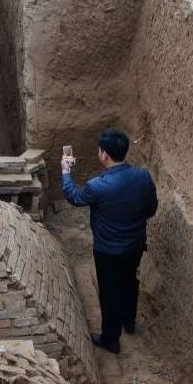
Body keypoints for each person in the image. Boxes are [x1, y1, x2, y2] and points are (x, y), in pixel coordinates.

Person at [61, 128, 158, 354]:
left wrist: (66, 172)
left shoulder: (98, 186)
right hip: (134, 244)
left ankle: (110, 339)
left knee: (109, 291)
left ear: (104, 155)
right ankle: (128, 321)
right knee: (129, 281)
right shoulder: (143, 176)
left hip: (108, 251)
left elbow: (74, 197)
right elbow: (151, 209)